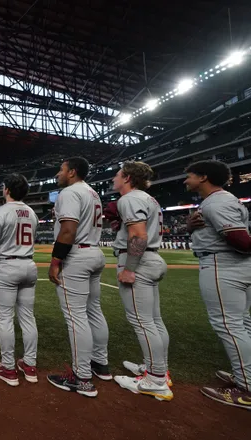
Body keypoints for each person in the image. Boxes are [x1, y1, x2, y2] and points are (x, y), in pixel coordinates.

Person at [183, 160, 251, 409]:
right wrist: (190, 227)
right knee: (241, 323)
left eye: (189, 176)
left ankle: (247, 388)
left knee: (229, 326)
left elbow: (241, 240)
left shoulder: (217, 202)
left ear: (203, 177)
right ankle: (246, 373)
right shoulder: (224, 199)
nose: (185, 180)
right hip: (235, 266)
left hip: (224, 265)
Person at [45, 157, 109, 398]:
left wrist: (55, 261)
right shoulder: (92, 193)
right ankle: (100, 364)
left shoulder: (70, 192)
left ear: (72, 172)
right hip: (94, 252)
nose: (57, 173)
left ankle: (82, 378)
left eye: (60, 169)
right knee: (94, 311)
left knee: (76, 317)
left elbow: (68, 229)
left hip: (77, 256)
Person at [110, 161, 173, 402]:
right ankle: (158, 370)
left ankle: (155, 380)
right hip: (152, 259)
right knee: (154, 321)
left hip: (140, 261)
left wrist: (129, 269)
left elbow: (138, 235)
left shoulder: (129, 199)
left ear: (127, 177)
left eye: (118, 175)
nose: (114, 178)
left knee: (142, 321)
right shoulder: (149, 199)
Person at [0, 174, 39, 387]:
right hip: (29, 264)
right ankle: (30, 365)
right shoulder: (32, 213)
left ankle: (8, 368)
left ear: (6, 190)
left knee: (5, 319)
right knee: (27, 317)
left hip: (8, 265)